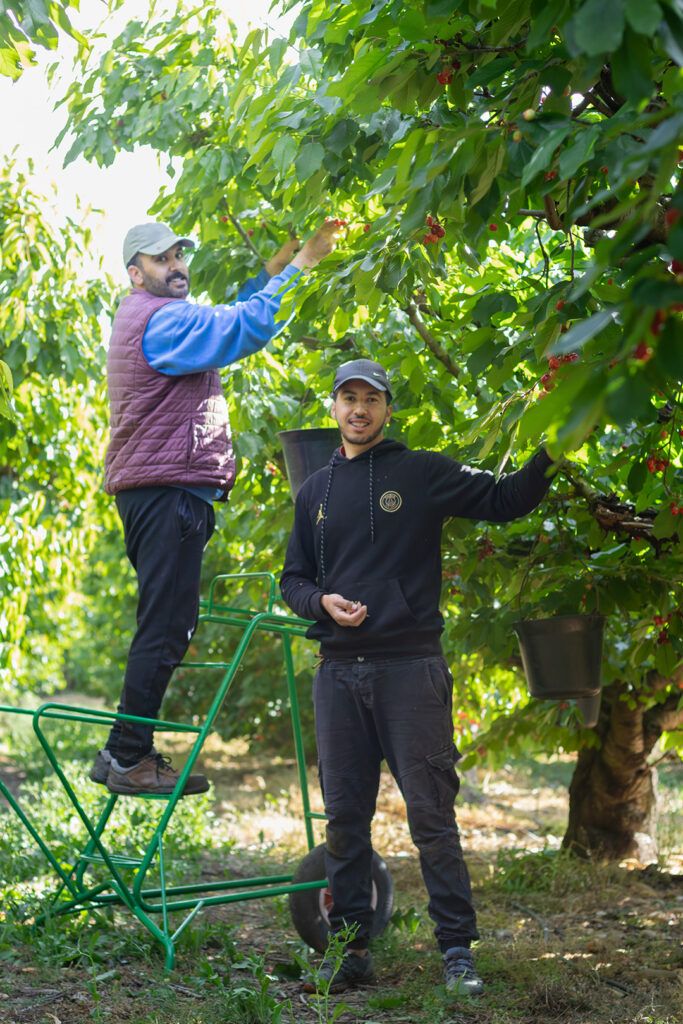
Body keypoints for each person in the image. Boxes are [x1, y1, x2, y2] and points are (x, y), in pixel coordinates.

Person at [280, 358, 558, 996]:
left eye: (370, 400)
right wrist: (320, 603)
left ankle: (457, 952)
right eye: (347, 398)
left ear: (387, 409)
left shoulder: (423, 472)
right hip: (338, 674)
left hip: (410, 668)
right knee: (345, 822)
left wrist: (552, 445)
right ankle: (351, 954)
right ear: (333, 408)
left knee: (432, 817)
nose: (358, 410)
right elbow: (292, 579)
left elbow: (506, 499)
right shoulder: (313, 491)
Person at [91, 219, 337, 796]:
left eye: (180, 255)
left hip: (159, 492)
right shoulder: (161, 320)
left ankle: (119, 751)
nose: (176, 266)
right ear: (135, 273)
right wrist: (306, 265)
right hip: (167, 494)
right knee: (166, 625)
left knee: (166, 621)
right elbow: (243, 327)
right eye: (161, 259)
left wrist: (274, 270)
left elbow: (230, 311)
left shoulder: (154, 317)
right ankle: (129, 754)